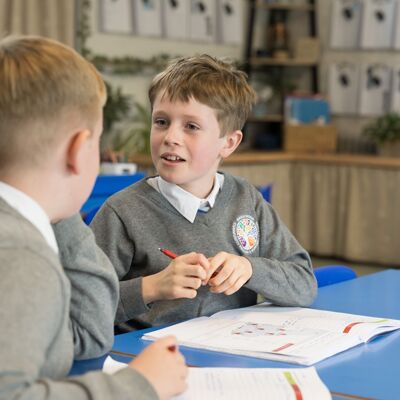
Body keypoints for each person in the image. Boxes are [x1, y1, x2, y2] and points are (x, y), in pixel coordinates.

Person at [0, 35, 187, 400]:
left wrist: (56, 202)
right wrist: (139, 385)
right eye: (97, 143)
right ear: (76, 149)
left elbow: (87, 335)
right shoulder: (21, 257)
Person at [91, 55, 317, 329]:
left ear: (229, 143)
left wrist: (250, 269)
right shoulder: (121, 213)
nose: (170, 137)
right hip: (148, 351)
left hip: (230, 346)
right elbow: (82, 306)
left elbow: (304, 284)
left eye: (191, 126)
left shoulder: (246, 199)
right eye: (161, 121)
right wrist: (152, 287)